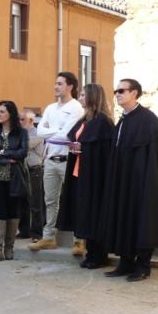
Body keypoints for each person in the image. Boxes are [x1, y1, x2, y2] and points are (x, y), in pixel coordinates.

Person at [100, 79, 158, 282]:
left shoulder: (147, 120)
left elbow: (153, 158)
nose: (117, 94)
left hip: (142, 182)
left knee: (143, 220)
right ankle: (125, 263)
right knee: (123, 217)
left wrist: (147, 182)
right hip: (123, 181)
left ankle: (143, 266)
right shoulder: (123, 120)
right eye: (116, 91)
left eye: (121, 90)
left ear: (134, 93)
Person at [55, 84, 115, 269]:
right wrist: (76, 147)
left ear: (92, 97)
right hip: (80, 172)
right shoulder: (85, 119)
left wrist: (84, 148)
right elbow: (76, 138)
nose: (79, 97)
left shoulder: (103, 121)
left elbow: (103, 151)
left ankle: (99, 255)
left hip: (95, 176)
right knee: (84, 213)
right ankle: (91, 253)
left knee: (94, 213)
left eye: (82, 95)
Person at [29, 72, 84, 251]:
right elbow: (39, 132)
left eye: (60, 83)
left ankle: (79, 239)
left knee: (74, 199)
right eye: (56, 83)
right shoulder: (50, 108)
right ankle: (48, 237)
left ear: (70, 87)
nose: (55, 86)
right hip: (50, 160)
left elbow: (67, 135)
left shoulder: (76, 108)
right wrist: (57, 130)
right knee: (50, 200)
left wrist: (52, 132)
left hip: (69, 160)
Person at [0, 101, 29, 263]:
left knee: (13, 212)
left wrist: (4, 152)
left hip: (15, 178)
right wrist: (6, 160)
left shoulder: (21, 132)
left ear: (11, 114)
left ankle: (9, 249)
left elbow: (22, 152)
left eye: (2, 111)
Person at [17, 110, 44, 242]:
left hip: (34, 170)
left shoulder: (38, 133)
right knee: (23, 201)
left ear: (31, 121)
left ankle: (37, 233)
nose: (20, 122)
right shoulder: (21, 134)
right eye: (19, 119)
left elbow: (24, 145)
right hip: (23, 170)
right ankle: (24, 231)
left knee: (35, 203)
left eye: (23, 119)